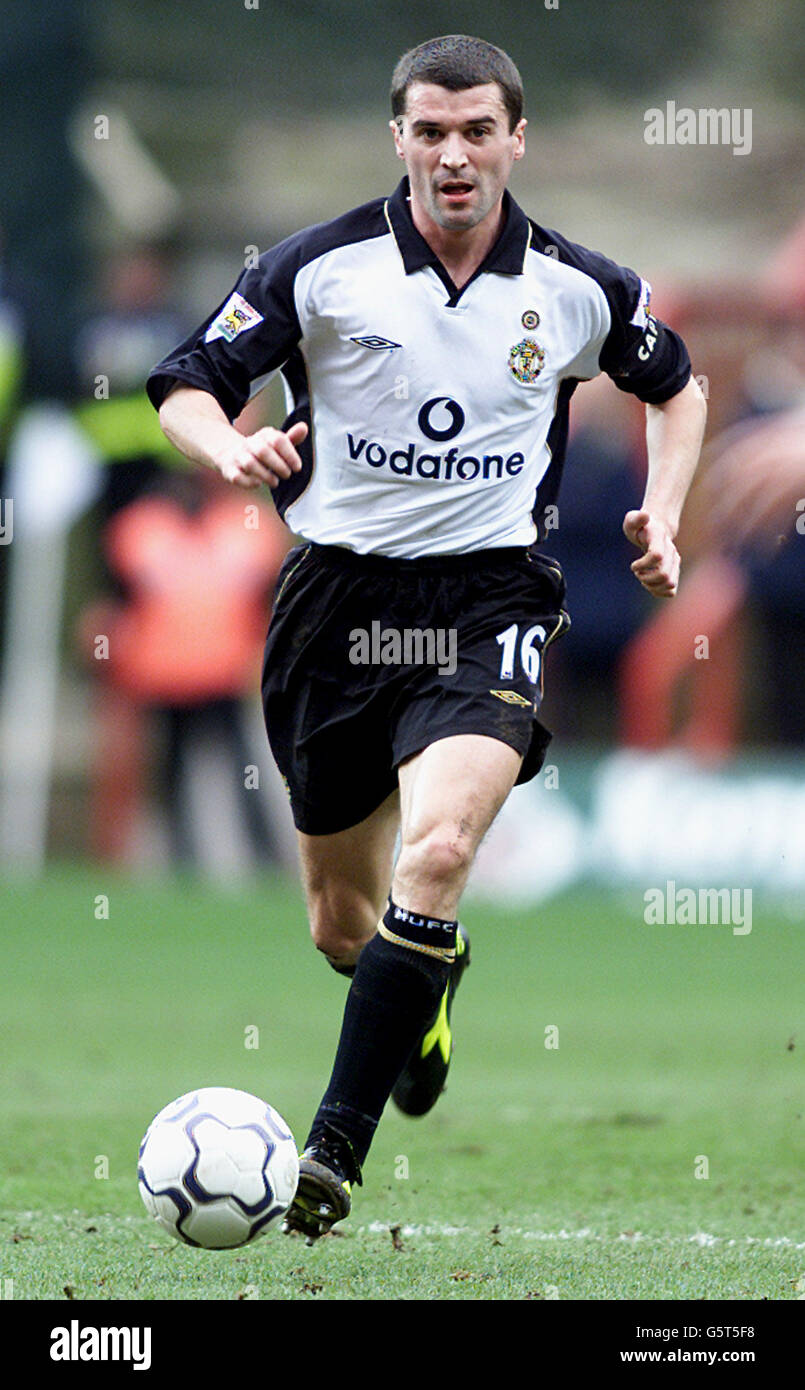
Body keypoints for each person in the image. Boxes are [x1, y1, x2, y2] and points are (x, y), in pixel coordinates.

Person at [147, 35, 707, 1242]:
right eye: (430, 131)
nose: (453, 154)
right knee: (343, 925)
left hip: (489, 600)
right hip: (334, 614)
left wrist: (661, 517)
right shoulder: (322, 268)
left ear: (516, 139)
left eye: (476, 130)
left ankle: (330, 1156)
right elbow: (184, 378)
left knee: (441, 850)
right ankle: (425, 986)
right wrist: (228, 445)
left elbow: (678, 384)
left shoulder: (573, 286)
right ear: (397, 139)